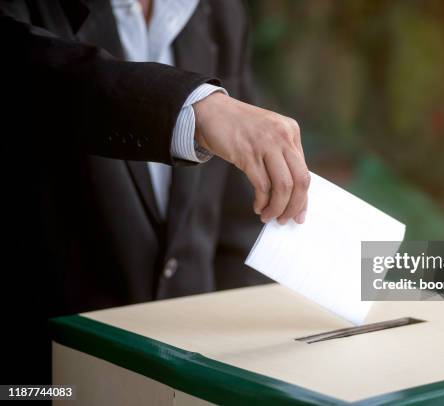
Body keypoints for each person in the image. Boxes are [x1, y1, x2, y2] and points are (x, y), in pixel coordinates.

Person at [0, 0, 309, 383]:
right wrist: (194, 110)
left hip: (189, 374)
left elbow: (237, 221)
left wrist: (240, 369)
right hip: (49, 378)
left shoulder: (219, 10)